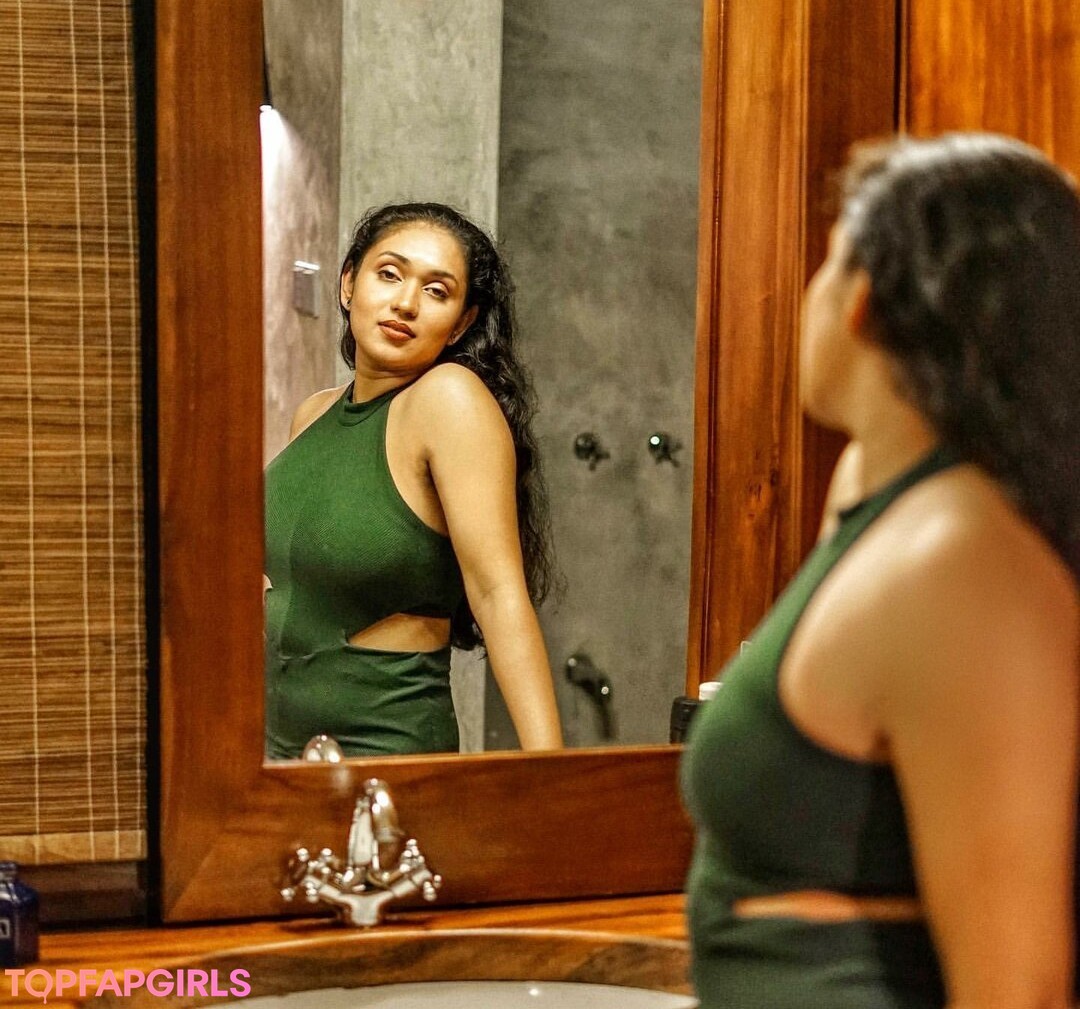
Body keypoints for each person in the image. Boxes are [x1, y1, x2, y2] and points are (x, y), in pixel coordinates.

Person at [681, 133, 1080, 1008]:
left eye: (827, 262)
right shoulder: (880, 502)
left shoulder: (961, 560)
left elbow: (1019, 992)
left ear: (861, 299)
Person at [264, 202, 564, 759]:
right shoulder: (312, 414)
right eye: (389, 274)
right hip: (276, 748)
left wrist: (549, 773)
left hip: (384, 751)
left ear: (462, 323)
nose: (406, 302)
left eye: (436, 291)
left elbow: (497, 593)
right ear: (348, 284)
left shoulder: (447, 398)